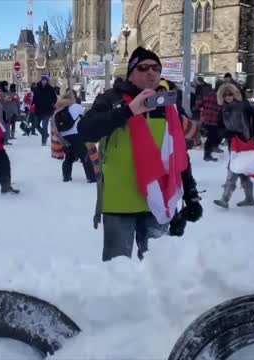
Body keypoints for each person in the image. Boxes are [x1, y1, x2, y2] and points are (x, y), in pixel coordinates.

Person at [78, 46, 202, 262]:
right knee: (118, 271)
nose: (150, 72)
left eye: (156, 68)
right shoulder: (111, 99)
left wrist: (191, 194)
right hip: (120, 203)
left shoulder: (168, 105)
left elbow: (179, 154)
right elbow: (86, 129)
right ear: (131, 73)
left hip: (159, 203)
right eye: (143, 68)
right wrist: (128, 111)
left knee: (159, 269)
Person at [213, 82, 254, 209]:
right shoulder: (223, 110)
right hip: (233, 142)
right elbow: (219, 127)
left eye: (230, 94)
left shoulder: (244, 106)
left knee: (235, 167)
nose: (228, 97)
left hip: (244, 140)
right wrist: (226, 133)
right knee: (239, 168)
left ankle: (225, 198)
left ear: (235, 94)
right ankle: (249, 197)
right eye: (225, 95)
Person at [52, 92, 96, 183]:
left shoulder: (59, 109)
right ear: (72, 98)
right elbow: (88, 112)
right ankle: (91, 177)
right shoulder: (75, 106)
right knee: (84, 156)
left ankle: (66, 176)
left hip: (64, 137)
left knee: (69, 156)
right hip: (76, 135)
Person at [194, 77, 221, 161]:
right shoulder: (219, 97)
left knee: (212, 137)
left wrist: (200, 109)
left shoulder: (209, 94)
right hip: (214, 120)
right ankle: (207, 155)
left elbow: (199, 103)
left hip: (207, 118)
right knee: (212, 137)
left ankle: (208, 153)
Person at [32, 74, 57, 145]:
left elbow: (54, 99)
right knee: (36, 125)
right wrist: (33, 103)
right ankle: (45, 134)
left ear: (47, 81)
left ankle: (44, 141)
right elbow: (34, 98)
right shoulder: (37, 89)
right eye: (43, 80)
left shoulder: (51, 89)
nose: (44, 82)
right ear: (41, 80)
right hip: (38, 110)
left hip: (47, 110)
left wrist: (52, 104)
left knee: (44, 125)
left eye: (45, 80)